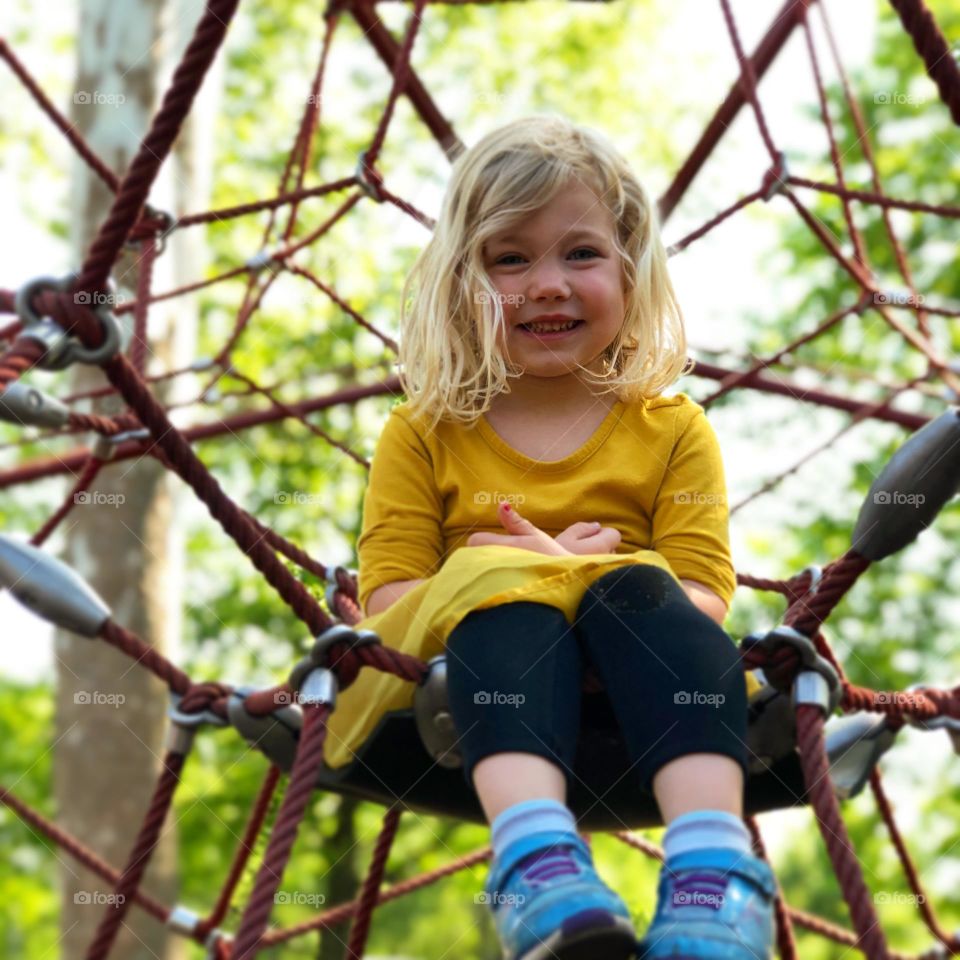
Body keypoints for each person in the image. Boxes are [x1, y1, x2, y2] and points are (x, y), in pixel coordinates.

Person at [323, 114, 775, 960]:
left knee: (640, 590)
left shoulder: (672, 427)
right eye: (509, 259)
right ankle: (536, 862)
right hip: (465, 687)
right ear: (462, 281)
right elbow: (388, 604)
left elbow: (707, 597)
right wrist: (529, 568)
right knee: (504, 600)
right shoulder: (423, 431)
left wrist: (578, 573)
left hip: (646, 675)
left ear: (631, 271)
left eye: (581, 254)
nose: (547, 284)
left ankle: (713, 870)